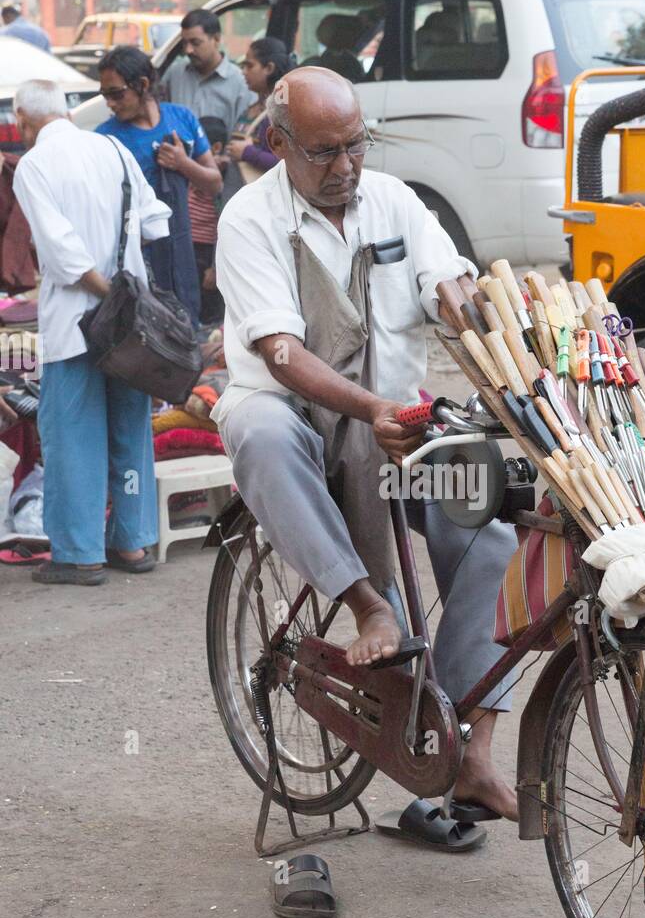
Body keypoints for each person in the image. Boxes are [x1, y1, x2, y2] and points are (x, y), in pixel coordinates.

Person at [214, 66, 519, 822]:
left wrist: (466, 304)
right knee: (257, 427)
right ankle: (366, 603)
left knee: (490, 537)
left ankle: (465, 749)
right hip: (298, 415)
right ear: (278, 143)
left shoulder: (394, 201)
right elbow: (280, 352)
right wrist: (370, 408)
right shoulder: (250, 219)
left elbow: (444, 278)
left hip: (400, 426)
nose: (346, 167)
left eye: (357, 146)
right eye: (324, 152)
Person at [11, 79, 171, 585]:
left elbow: (61, 252)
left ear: (20, 119)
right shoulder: (114, 148)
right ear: (66, 111)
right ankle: (132, 543)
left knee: (73, 437)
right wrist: (127, 293)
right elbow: (155, 224)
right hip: (131, 325)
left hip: (76, 322)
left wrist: (106, 294)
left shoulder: (34, 165)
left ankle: (80, 555)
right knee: (129, 429)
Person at [95, 45, 222, 325]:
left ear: (142, 85)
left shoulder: (182, 118)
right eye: (105, 95)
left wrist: (182, 163)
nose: (110, 104)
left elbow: (214, 183)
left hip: (182, 247)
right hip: (138, 255)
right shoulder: (105, 138)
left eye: (116, 94)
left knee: (187, 322)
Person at [159, 8, 256, 136]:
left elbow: (242, 135)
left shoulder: (240, 82)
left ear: (216, 39)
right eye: (184, 43)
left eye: (195, 43)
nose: (188, 50)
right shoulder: (174, 74)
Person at [224, 36, 294, 176]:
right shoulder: (252, 107)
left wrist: (248, 153)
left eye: (249, 66)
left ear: (269, 68)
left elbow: (288, 163)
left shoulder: (280, 112)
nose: (243, 72)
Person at [189, 115, 227, 324]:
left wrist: (215, 267)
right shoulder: (190, 169)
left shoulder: (224, 177)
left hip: (207, 252)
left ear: (216, 147)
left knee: (209, 309)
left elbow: (222, 225)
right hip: (189, 247)